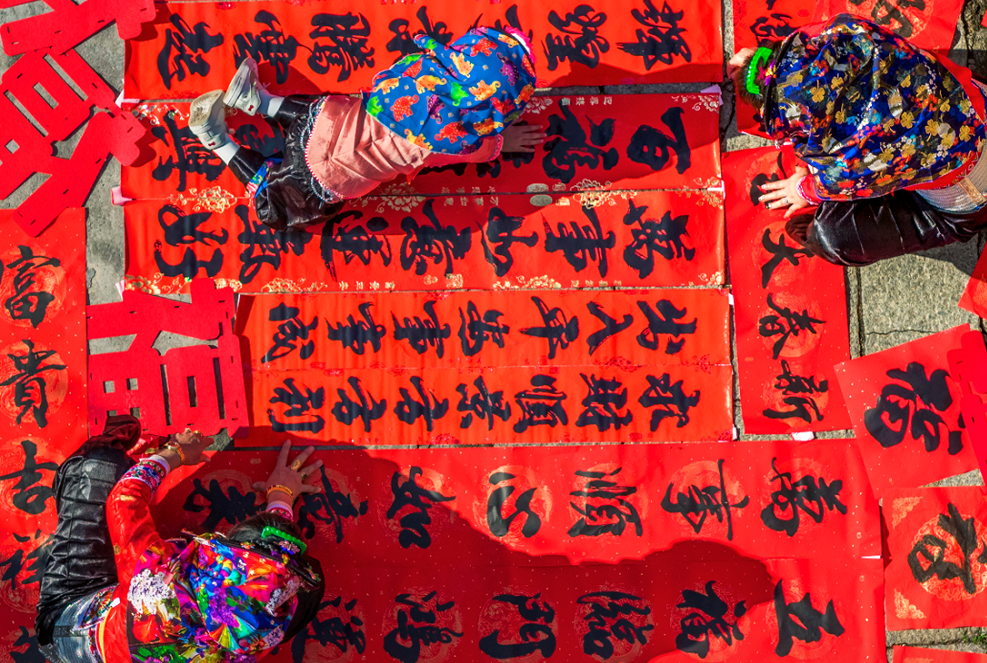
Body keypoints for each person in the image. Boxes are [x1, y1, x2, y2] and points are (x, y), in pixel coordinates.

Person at [189, 26, 545, 231]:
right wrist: (500, 142)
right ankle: (216, 138)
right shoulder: (452, 142)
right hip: (323, 179)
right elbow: (475, 151)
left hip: (322, 123)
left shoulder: (414, 74)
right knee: (274, 206)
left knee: (316, 115)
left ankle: (259, 101)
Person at [35, 415, 326, 663]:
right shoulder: (263, 629)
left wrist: (174, 453)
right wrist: (281, 497)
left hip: (69, 619)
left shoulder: (160, 578)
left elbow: (125, 498)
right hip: (125, 610)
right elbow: (274, 571)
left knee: (98, 466)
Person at [729, 14, 987, 266]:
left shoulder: (844, 165)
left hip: (971, 195)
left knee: (829, 235)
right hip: (975, 103)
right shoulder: (852, 32)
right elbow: (808, 39)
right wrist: (759, 62)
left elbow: (822, 187)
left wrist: (801, 189)